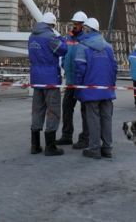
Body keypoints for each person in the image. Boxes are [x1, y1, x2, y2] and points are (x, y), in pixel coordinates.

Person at [74, 17, 119, 160]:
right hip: (107, 89)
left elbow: (79, 70)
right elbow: (114, 68)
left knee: (93, 119)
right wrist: (110, 85)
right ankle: (107, 148)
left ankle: (94, 149)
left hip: (90, 89)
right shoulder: (108, 47)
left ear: (87, 29)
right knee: (106, 118)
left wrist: (78, 88)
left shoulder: (83, 46)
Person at [28, 12, 68, 156]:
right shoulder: (50, 36)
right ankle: (50, 146)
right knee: (53, 111)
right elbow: (63, 50)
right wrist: (62, 39)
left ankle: (35, 145)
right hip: (50, 79)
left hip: (36, 79)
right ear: (52, 24)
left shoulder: (32, 36)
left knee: (37, 109)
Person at [55, 11, 90, 148]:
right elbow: (64, 54)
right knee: (67, 108)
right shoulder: (69, 37)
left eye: (77, 24)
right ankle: (67, 136)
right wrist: (64, 64)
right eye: (74, 23)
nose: (74, 26)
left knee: (85, 111)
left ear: (83, 25)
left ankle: (85, 138)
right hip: (70, 80)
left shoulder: (86, 39)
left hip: (81, 82)